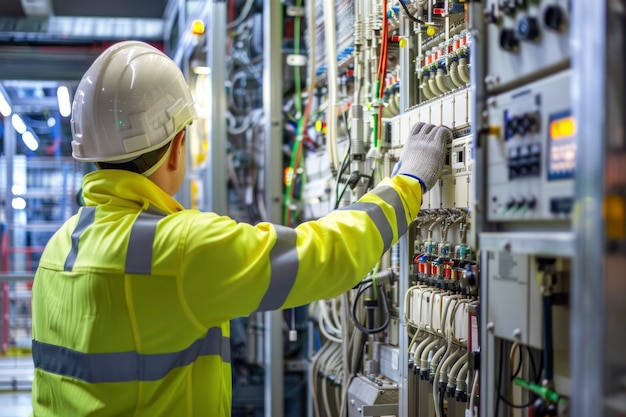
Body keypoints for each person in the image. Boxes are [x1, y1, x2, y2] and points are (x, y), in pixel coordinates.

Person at [30, 40, 451, 416]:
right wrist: (407, 185)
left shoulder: (56, 248)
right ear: (177, 147)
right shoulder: (179, 248)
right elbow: (325, 254)